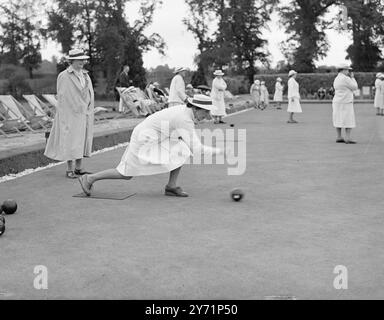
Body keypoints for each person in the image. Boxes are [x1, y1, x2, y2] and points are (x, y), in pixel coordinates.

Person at [78, 94, 227, 197]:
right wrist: (221, 151)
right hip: (145, 139)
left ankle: (171, 187)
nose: (208, 116)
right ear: (195, 109)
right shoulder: (184, 119)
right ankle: (89, 179)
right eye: (206, 112)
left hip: (157, 137)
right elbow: (197, 149)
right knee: (126, 174)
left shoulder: (186, 112)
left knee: (182, 150)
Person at [44, 48, 94, 179]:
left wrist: (88, 108)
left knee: (81, 140)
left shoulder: (85, 75)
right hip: (70, 115)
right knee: (70, 140)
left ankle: (79, 168)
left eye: (83, 60)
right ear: (72, 61)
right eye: (79, 60)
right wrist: (69, 112)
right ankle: (69, 169)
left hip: (84, 114)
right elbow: (62, 97)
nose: (82, 62)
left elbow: (89, 94)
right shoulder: (64, 76)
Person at [332, 64, 359, 144]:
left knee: (338, 118)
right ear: (343, 70)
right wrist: (353, 78)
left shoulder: (336, 78)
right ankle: (348, 137)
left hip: (337, 101)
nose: (348, 72)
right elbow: (355, 87)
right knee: (348, 119)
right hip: (346, 101)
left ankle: (339, 136)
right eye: (347, 70)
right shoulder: (346, 78)